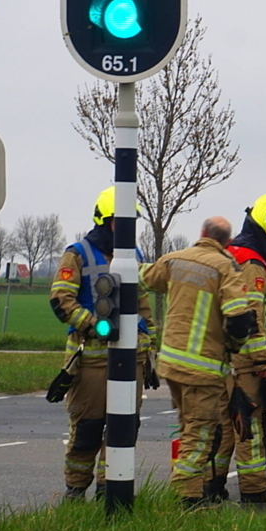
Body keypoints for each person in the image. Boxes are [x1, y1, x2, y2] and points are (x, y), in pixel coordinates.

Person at [48, 186, 155, 500]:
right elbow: (61, 299)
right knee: (88, 429)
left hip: (131, 359)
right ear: (106, 221)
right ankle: (75, 490)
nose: (128, 229)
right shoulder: (77, 254)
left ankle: (111, 488)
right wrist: (94, 324)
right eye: (123, 222)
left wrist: (149, 347)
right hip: (91, 361)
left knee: (124, 428)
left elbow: (143, 304)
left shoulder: (135, 256)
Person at [140, 216, 255, 507]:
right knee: (199, 435)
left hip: (171, 365)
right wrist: (232, 348)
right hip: (202, 369)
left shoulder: (174, 260)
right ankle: (185, 500)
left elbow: (142, 277)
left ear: (202, 233)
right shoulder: (226, 267)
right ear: (227, 241)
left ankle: (196, 491)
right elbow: (239, 319)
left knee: (188, 426)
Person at [206, 195, 266, 504]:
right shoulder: (252, 266)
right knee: (248, 424)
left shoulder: (230, 255)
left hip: (220, 358)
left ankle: (211, 485)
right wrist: (263, 363)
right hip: (243, 361)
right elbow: (253, 321)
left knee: (225, 424)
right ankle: (255, 490)